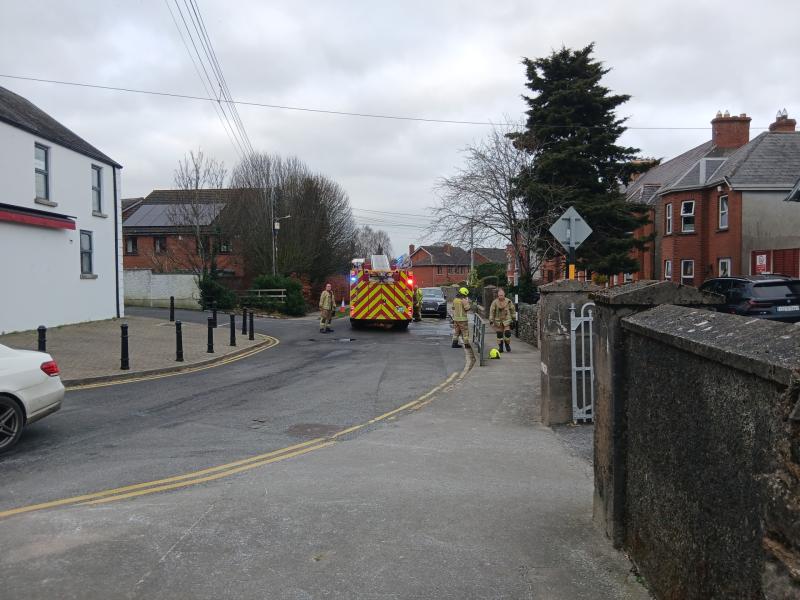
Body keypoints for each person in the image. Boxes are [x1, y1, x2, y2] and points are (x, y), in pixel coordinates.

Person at [488, 288, 517, 353]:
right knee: (499, 335)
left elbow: (513, 310)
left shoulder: (508, 301)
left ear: (504, 294)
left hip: (507, 320)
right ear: (498, 295)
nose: (500, 297)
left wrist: (514, 319)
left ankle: (507, 345)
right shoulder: (495, 302)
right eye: (499, 295)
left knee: (507, 334)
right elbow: (491, 312)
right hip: (498, 321)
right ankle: (500, 347)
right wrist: (491, 320)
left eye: (502, 295)